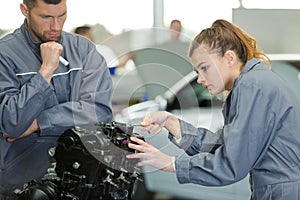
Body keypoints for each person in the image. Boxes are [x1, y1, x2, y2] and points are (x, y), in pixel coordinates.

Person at [127, 19, 300, 199]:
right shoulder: (251, 83)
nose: (201, 79)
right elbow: (225, 146)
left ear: (230, 58)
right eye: (197, 72)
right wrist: (173, 123)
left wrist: (172, 164)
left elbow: (232, 163)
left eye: (204, 68)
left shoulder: (253, 85)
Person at [0, 0, 113, 198]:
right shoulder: (4, 54)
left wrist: (38, 123)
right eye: (46, 17)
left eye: (61, 15)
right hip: (20, 184)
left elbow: (99, 111)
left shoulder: (84, 50)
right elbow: (12, 122)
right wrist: (46, 71)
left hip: (80, 182)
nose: (56, 26)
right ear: (25, 10)